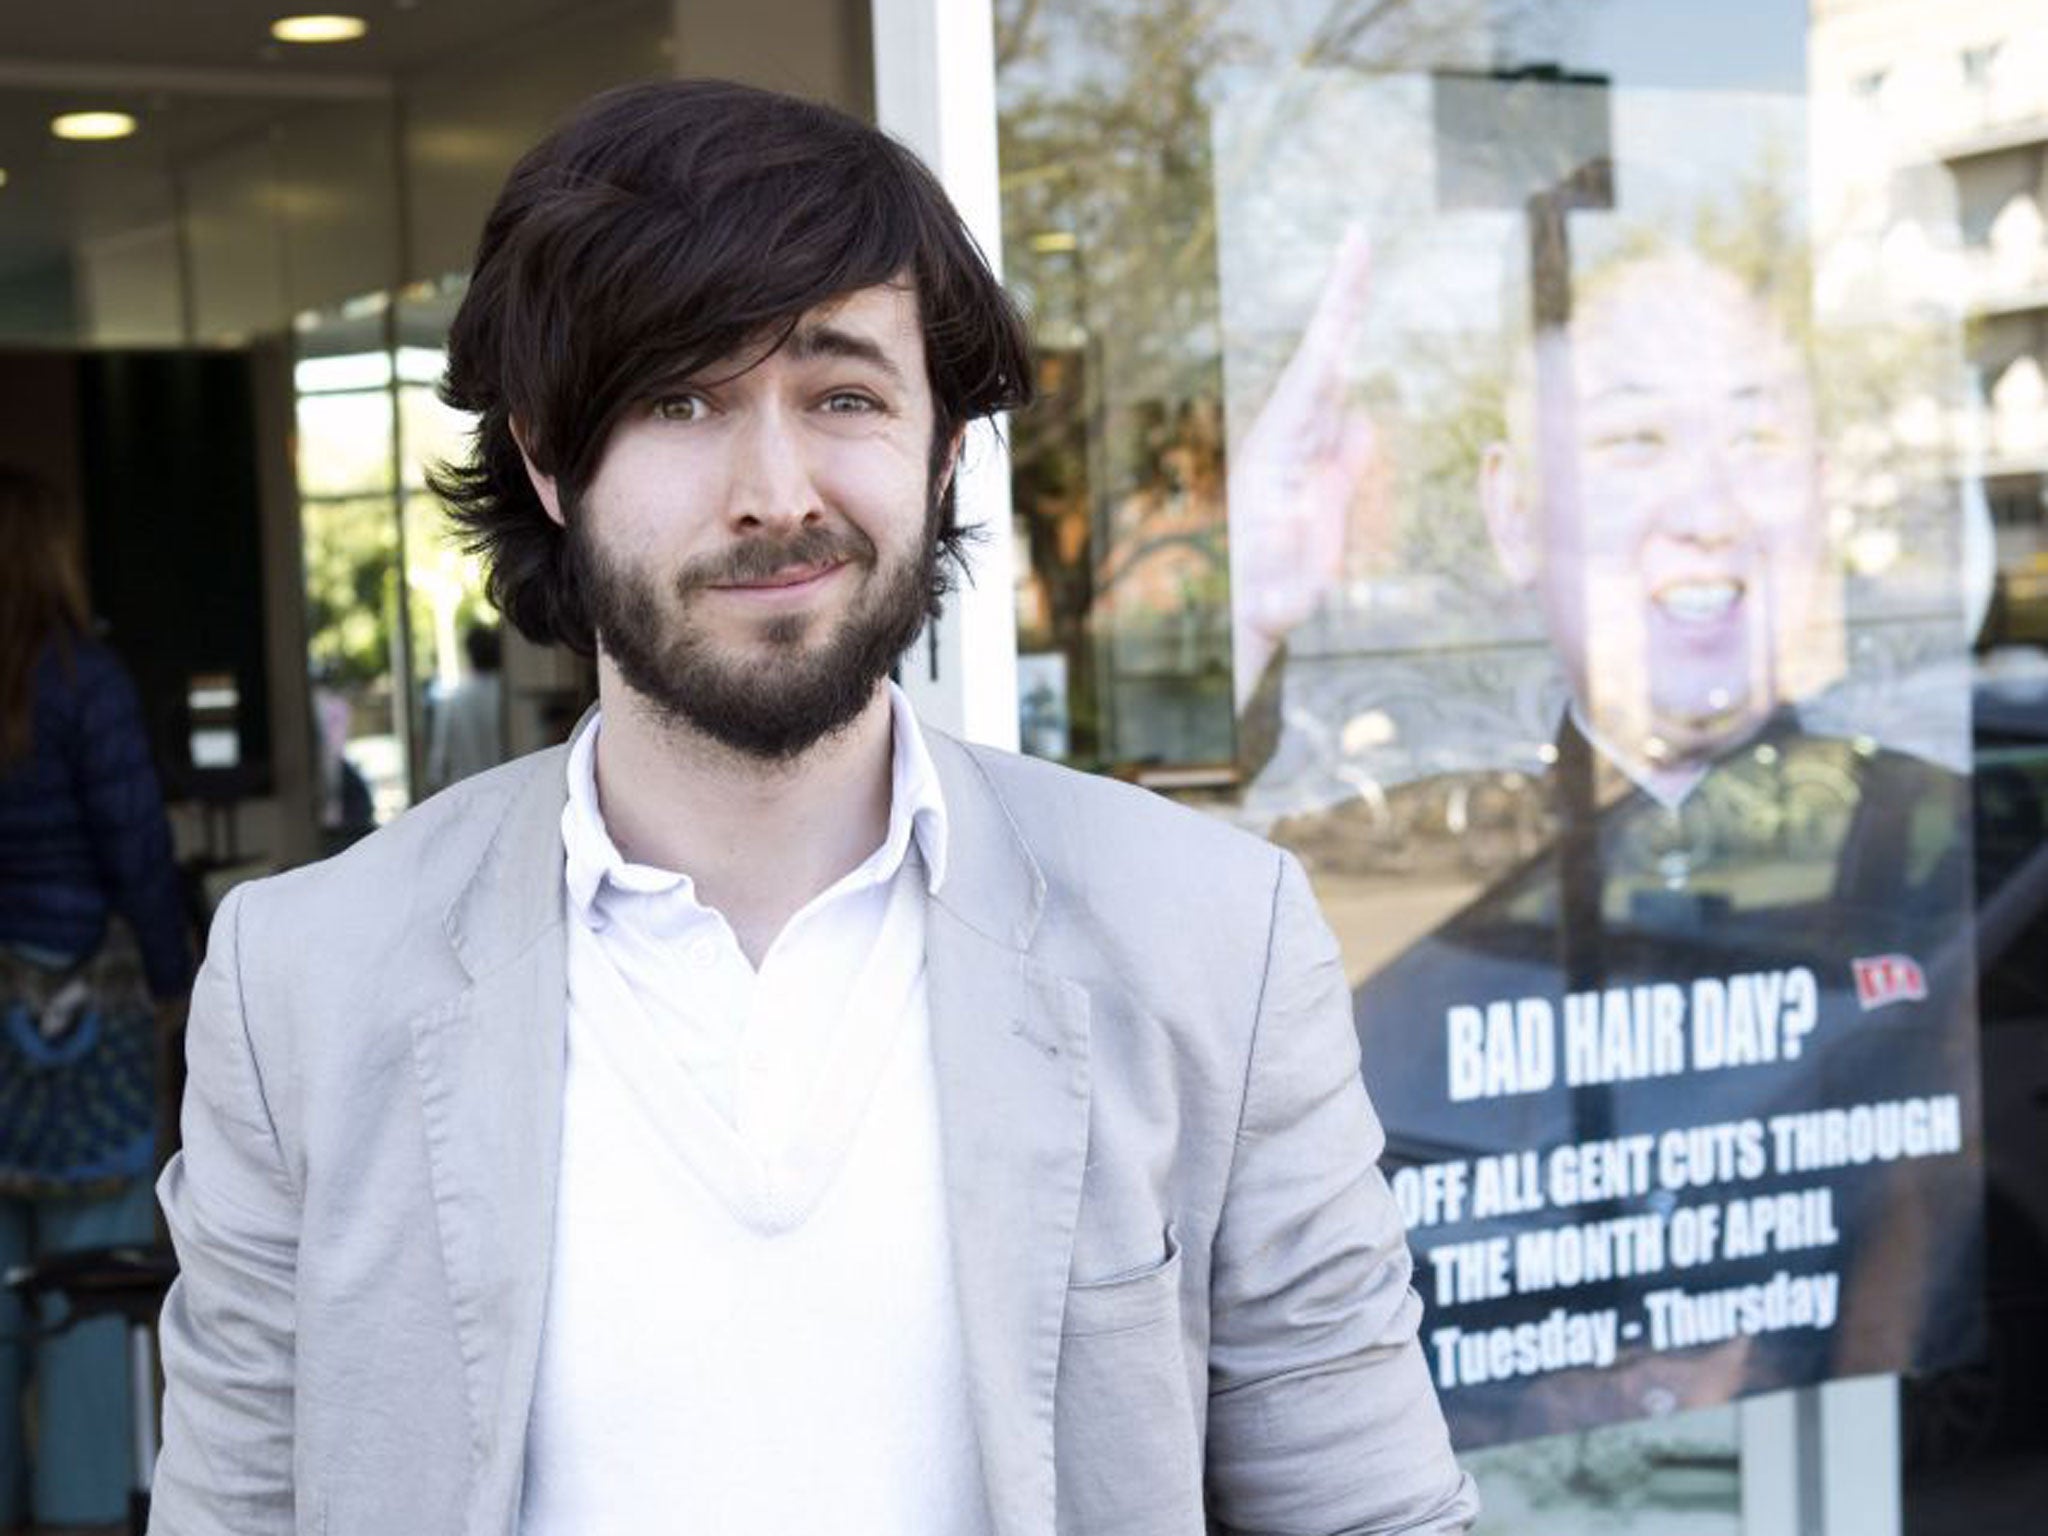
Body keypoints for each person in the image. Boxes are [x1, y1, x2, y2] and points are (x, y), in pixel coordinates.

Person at [149, 80, 1478, 1534]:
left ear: (943, 446)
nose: (774, 490)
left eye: (842, 395)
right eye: (679, 399)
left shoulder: (1211, 937)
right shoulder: (304, 985)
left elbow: (1368, 1510)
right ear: (545, 456)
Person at [1231, 242, 1977, 1444]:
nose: (1707, 512)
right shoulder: (1360, 855)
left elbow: (1928, 1185)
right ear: (1512, 514)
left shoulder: (1931, 836)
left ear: (1821, 492)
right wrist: (1248, 607)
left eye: (1755, 440)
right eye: (1634, 441)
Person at [0, 464, 191, 1529]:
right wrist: (174, 987)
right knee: (90, 1287)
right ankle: (80, 1516)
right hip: (86, 1015)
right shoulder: (85, 678)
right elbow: (136, 849)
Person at [426, 623, 506, 792]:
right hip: (510, 791)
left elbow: (437, 768)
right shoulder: (507, 696)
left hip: (466, 796)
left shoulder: (452, 701)